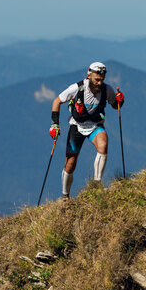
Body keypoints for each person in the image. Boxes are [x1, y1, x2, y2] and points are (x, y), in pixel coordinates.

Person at [49, 62, 124, 199]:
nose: (99, 83)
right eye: (97, 79)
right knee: (70, 163)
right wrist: (55, 124)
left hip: (96, 125)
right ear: (89, 75)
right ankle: (65, 197)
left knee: (103, 144)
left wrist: (120, 101)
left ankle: (96, 185)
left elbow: (115, 105)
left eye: (102, 80)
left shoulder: (107, 90)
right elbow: (57, 101)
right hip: (77, 126)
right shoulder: (76, 88)